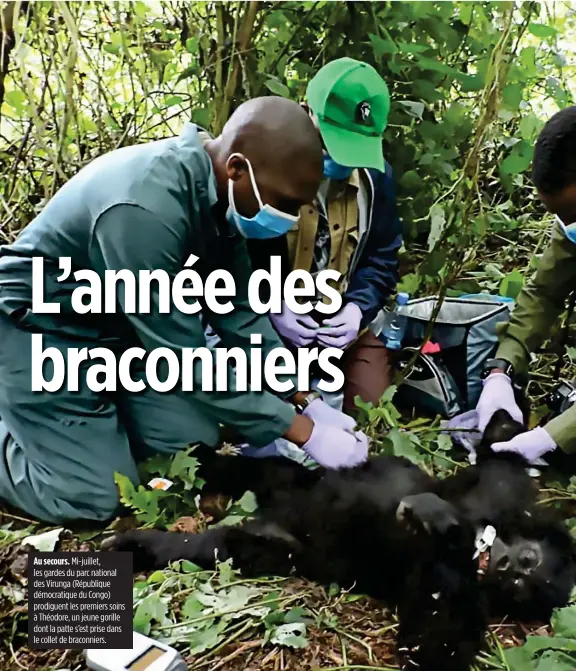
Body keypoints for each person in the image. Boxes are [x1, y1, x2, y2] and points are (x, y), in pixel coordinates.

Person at [0, 96, 369, 525]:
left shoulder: (218, 202)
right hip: (37, 332)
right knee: (90, 499)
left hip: (115, 336)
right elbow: (181, 360)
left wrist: (304, 399)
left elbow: (239, 311)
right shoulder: (143, 208)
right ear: (236, 168)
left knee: (189, 440)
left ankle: (85, 439)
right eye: (283, 202)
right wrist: (303, 433)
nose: (286, 220)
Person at [247, 57, 403, 416]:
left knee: (368, 407)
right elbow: (229, 259)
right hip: (269, 325)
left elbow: (383, 255)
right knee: (267, 415)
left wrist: (357, 310)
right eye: (332, 143)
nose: (341, 159)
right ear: (307, 115)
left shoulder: (375, 180)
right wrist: (271, 306)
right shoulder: (263, 168)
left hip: (339, 327)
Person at [475, 105, 576, 462]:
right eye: (561, 218)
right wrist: (501, 370)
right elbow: (545, 292)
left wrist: (556, 435)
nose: (569, 226)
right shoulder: (572, 217)